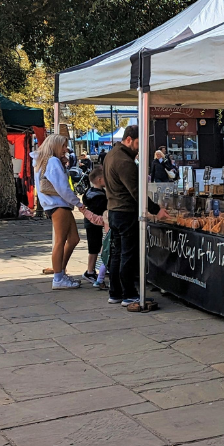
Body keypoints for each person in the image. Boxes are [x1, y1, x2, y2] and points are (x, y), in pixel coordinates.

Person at [104, 125, 168, 309]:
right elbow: (137, 192)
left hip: (115, 211)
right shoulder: (124, 161)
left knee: (117, 254)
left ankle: (115, 292)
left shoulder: (111, 155)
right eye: (139, 143)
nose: (140, 148)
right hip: (125, 213)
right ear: (129, 139)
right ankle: (129, 294)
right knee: (128, 255)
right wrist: (156, 210)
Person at [31, 134, 104, 289]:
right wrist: (78, 204)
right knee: (61, 241)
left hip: (54, 205)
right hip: (58, 205)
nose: (66, 149)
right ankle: (58, 277)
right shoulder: (52, 161)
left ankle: (60, 273)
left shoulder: (43, 161)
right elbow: (62, 187)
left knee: (73, 239)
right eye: (63, 146)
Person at [81, 167, 107, 283]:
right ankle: (90, 271)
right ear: (100, 180)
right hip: (94, 223)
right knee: (94, 248)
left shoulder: (89, 192)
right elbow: (102, 210)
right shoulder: (100, 196)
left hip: (89, 222)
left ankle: (91, 271)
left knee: (95, 247)